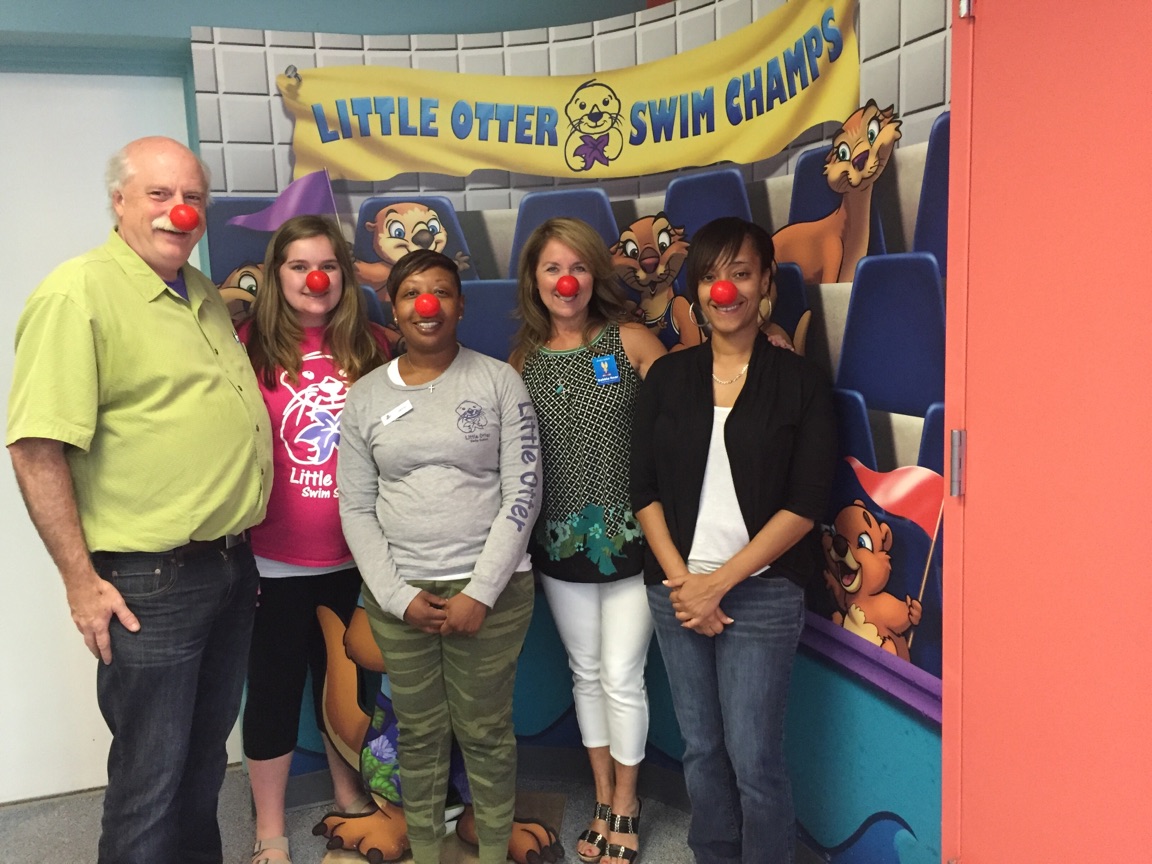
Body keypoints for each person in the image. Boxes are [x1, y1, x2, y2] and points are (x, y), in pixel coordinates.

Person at [6, 136, 272, 864]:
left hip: (224, 568)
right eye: (159, 194)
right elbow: (35, 448)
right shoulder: (78, 294)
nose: (180, 210)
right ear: (118, 200)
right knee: (150, 780)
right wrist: (78, 582)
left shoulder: (202, 294)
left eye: (192, 196)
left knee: (202, 766)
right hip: (148, 583)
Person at [629, 217, 836, 864]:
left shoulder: (799, 382)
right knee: (702, 748)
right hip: (676, 591)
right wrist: (683, 583)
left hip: (764, 594)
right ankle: (713, 854)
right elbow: (643, 488)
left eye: (741, 275)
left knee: (755, 757)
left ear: (766, 282)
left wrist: (718, 582)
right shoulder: (667, 377)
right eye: (713, 278)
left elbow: (805, 505)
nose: (726, 292)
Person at [336, 249, 540, 864]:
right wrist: (397, 598)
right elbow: (356, 507)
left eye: (442, 292)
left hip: (493, 592)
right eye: (412, 293)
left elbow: (523, 492)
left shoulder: (499, 381)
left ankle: (495, 848)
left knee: (484, 733)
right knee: (420, 735)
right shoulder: (367, 396)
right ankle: (426, 853)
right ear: (393, 308)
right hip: (401, 593)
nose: (428, 304)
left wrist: (479, 591)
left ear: (459, 303)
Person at [509, 217, 664, 864]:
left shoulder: (630, 341)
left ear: (594, 271)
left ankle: (627, 802)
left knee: (624, 675)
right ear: (535, 279)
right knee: (587, 673)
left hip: (633, 541)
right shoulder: (521, 360)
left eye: (575, 265)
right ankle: (602, 796)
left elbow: (679, 425)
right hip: (560, 546)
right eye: (551, 267)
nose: (565, 279)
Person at [237, 215, 391, 864]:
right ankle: (269, 829)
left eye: (326, 264)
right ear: (277, 275)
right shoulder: (247, 347)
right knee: (272, 691)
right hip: (272, 558)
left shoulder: (374, 344)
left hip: (355, 556)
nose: (315, 278)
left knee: (346, 689)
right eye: (298, 266)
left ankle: (350, 797)